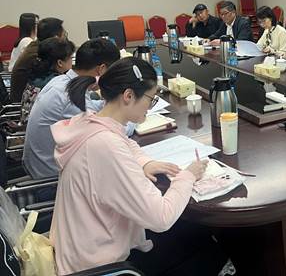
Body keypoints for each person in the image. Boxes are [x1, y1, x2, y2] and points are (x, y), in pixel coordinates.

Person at [49, 57, 228, 275]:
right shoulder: (105, 146)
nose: (150, 106)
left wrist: (145, 162)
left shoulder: (89, 121)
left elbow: (126, 142)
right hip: (102, 267)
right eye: (150, 99)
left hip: (80, 249)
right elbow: (161, 217)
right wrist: (188, 176)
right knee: (209, 247)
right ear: (128, 96)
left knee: (190, 230)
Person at [23, 38, 123, 179]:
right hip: (51, 178)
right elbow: (110, 132)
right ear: (101, 69)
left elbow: (92, 108)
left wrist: (114, 103)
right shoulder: (71, 95)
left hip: (43, 164)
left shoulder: (62, 80)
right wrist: (132, 114)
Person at [10, 17, 66, 103]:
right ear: (55, 38)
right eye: (64, 35)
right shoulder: (40, 54)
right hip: (24, 104)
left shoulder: (35, 46)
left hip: (30, 99)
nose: (65, 39)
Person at [20, 38, 75, 123]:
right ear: (60, 63)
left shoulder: (37, 74)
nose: (72, 61)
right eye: (71, 58)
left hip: (26, 124)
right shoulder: (56, 83)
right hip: (45, 127)